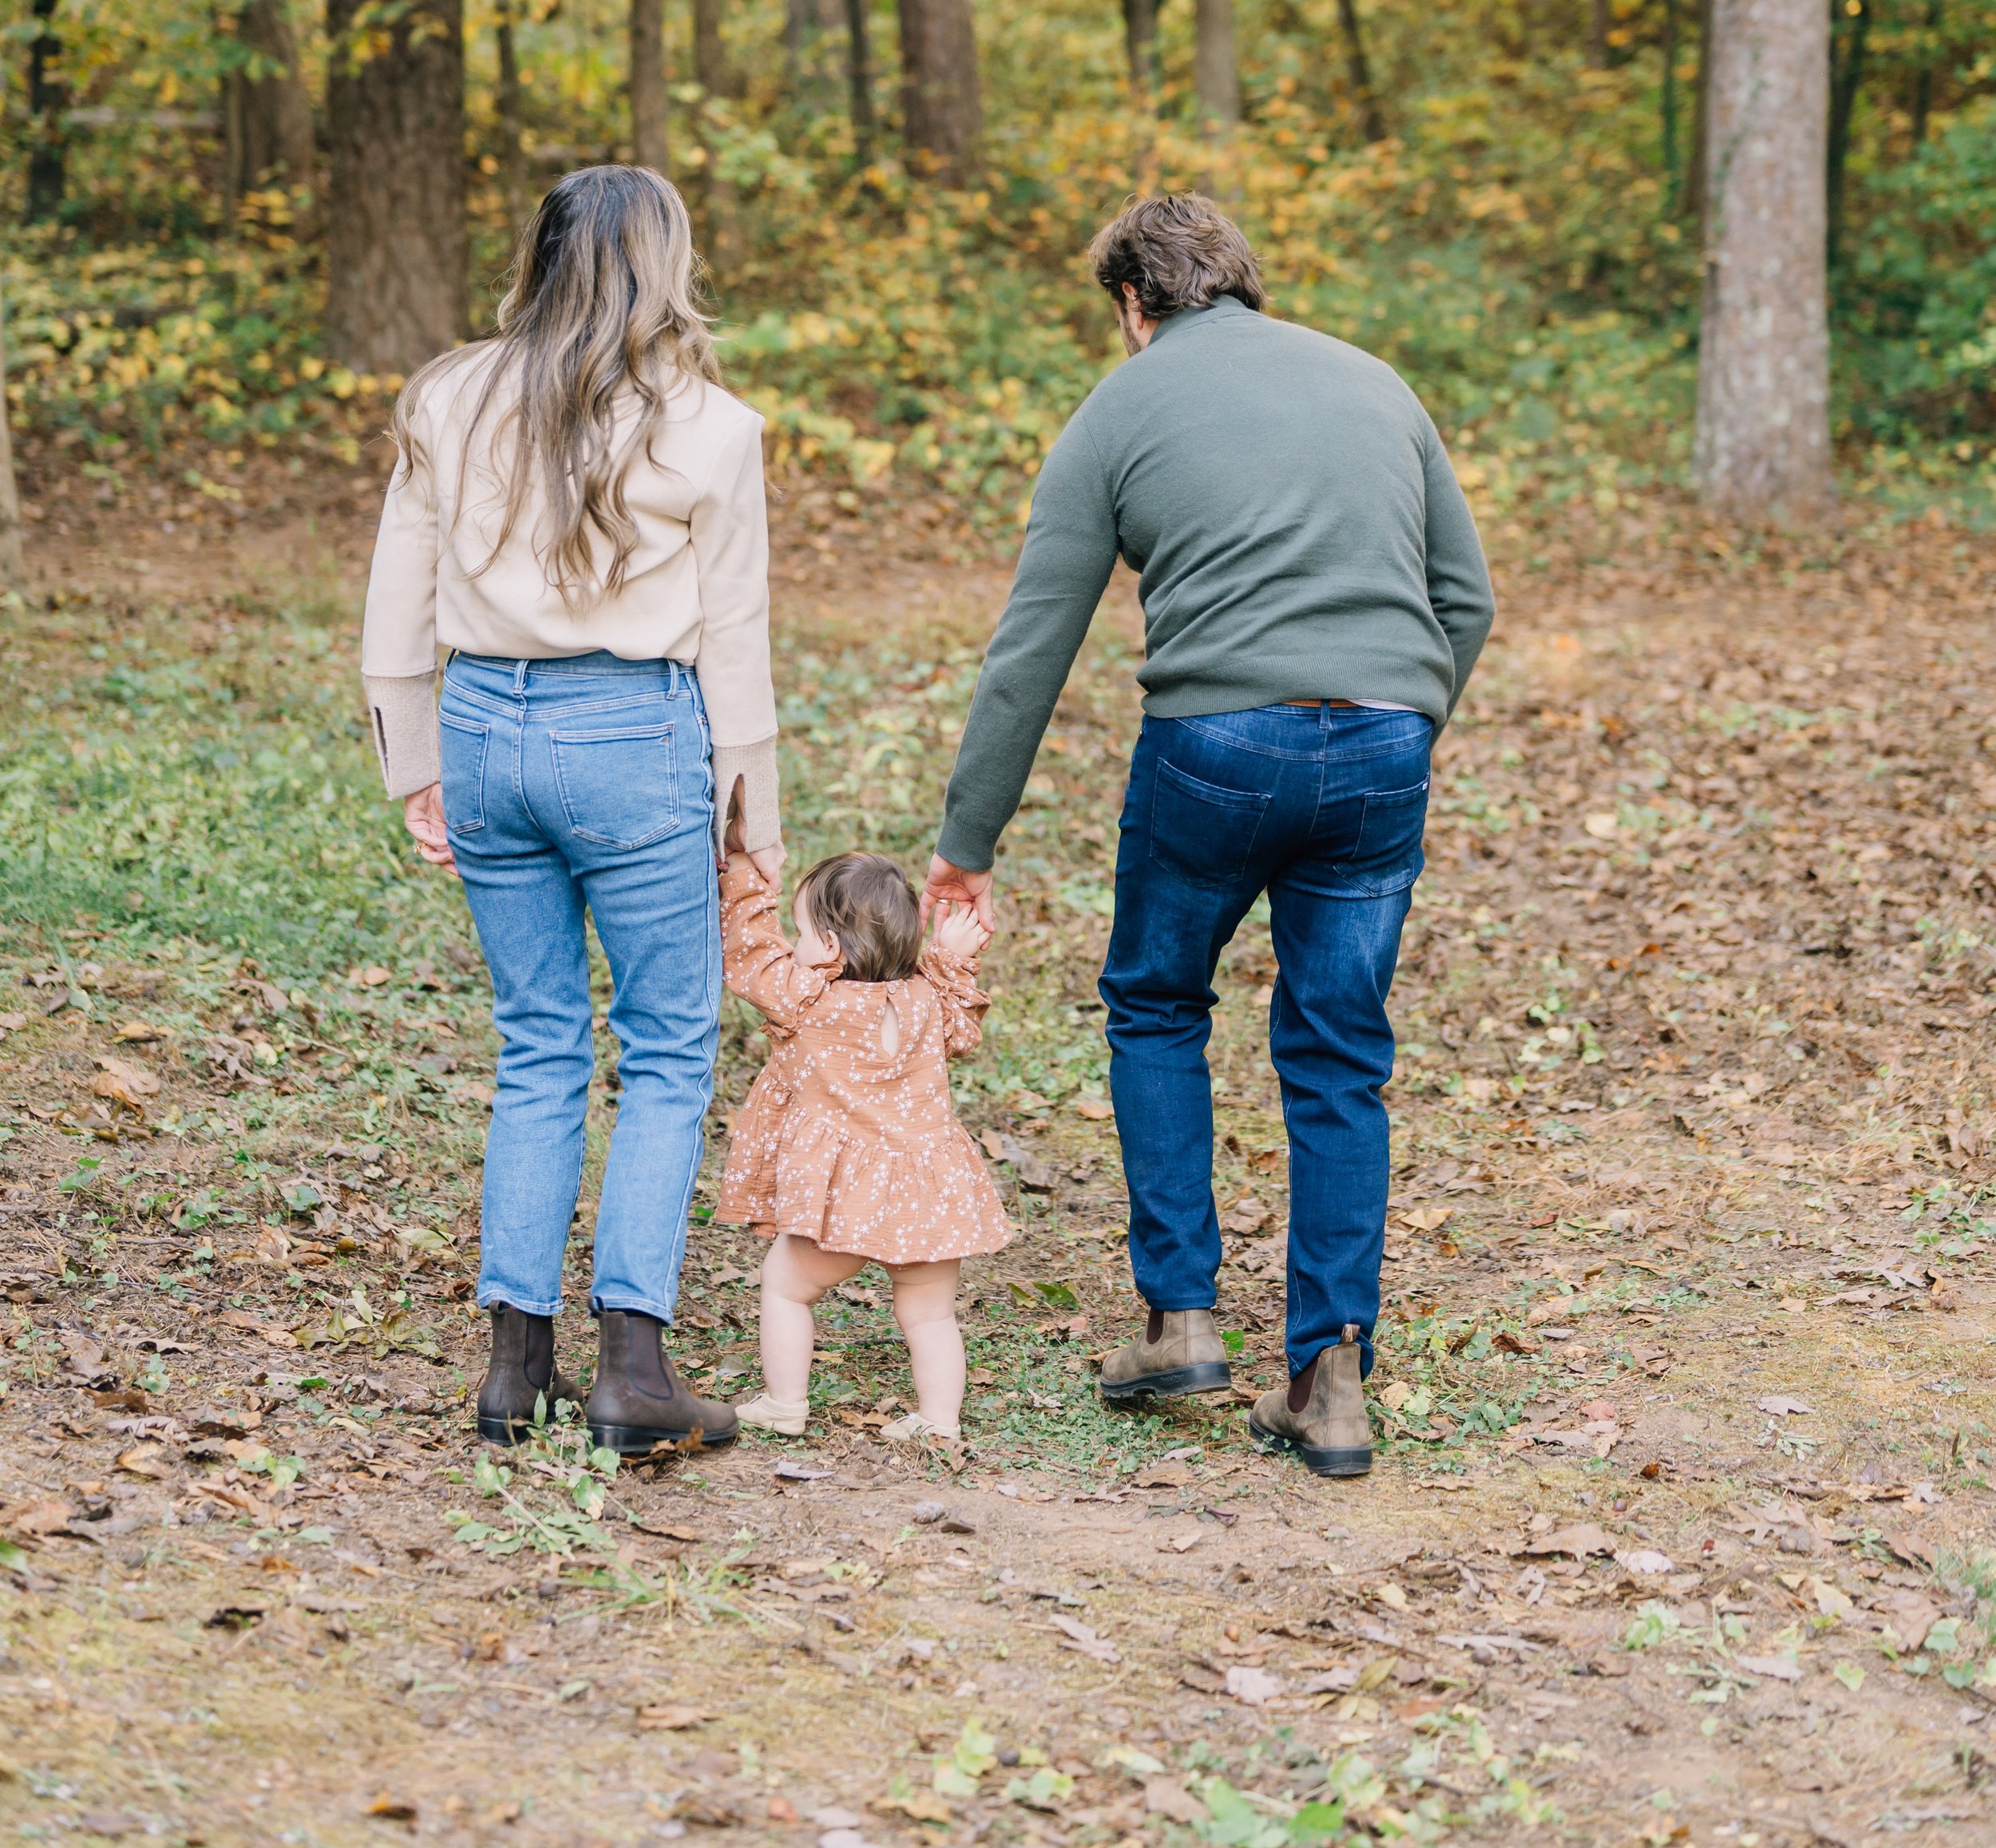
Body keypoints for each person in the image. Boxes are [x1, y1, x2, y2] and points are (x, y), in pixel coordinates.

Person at [924, 192, 1494, 1480]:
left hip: (1214, 751)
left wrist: (969, 840)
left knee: (1157, 998)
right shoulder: (1376, 385)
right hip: (1383, 745)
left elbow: (1032, 645)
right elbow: (1468, 595)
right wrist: (1399, 723)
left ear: (1135, 304)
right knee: (1341, 1049)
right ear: (1240, 280)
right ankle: (1330, 1375)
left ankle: (1181, 1316)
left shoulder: (1117, 410)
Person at [360, 165, 782, 1458]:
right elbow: (737, 641)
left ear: (541, 257)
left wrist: (414, 759)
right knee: (665, 1044)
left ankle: (513, 1366)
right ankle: (635, 1368)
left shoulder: (448, 393)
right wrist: (755, 829)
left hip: (487, 726)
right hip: (632, 736)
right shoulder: (711, 425)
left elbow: (398, 593)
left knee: (535, 1038)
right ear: (665, 266)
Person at [713, 848, 1012, 1443]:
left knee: (786, 1286)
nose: (793, 943)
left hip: (843, 1199)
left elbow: (749, 951)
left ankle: (785, 1401)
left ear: (828, 946)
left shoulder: (806, 999)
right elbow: (960, 1020)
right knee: (930, 1313)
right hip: (927, 1191)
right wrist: (951, 955)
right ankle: (939, 1420)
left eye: (801, 930)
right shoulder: (927, 1000)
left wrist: (744, 873)